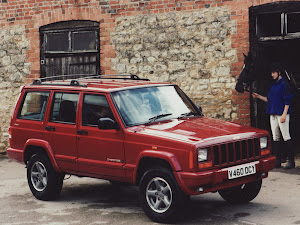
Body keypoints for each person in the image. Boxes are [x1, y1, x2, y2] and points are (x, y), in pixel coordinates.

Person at [252, 63, 294, 169]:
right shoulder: (273, 85)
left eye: (274, 72)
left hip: (282, 114)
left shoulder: (284, 84)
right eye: (271, 73)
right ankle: (277, 160)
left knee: (286, 136)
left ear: (279, 72)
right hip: (273, 114)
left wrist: (284, 114)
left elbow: (287, 100)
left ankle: (291, 161)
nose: (272, 75)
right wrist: (258, 97)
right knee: (275, 137)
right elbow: (269, 100)